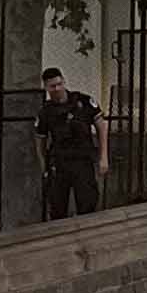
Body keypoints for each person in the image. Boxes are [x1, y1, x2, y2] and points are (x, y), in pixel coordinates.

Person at [34, 67, 105, 221]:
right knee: (57, 208)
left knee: (87, 205)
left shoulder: (83, 101)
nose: (57, 89)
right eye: (52, 86)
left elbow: (101, 126)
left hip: (83, 161)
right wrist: (44, 167)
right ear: (46, 87)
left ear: (64, 82)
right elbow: (40, 140)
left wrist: (103, 157)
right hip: (59, 163)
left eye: (59, 84)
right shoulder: (46, 111)